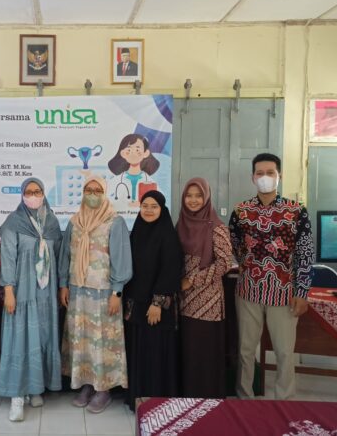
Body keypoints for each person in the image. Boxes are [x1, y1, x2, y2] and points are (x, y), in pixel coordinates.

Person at [229, 153, 314, 400]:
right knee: (245, 350)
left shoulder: (296, 211)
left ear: (279, 176)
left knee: (284, 352)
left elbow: (306, 253)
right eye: (260, 173)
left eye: (270, 173)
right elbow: (233, 244)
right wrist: (245, 265)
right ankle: (244, 397)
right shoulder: (241, 211)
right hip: (248, 291)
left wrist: (302, 292)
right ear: (252, 177)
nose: (264, 177)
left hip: (284, 293)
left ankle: (284, 400)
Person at [59, 176, 132, 414]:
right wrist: (63, 285)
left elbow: (121, 259)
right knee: (82, 339)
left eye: (97, 190)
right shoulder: (75, 221)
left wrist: (117, 291)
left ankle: (104, 389)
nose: (92, 194)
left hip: (104, 292)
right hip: (78, 291)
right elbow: (66, 256)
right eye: (88, 190)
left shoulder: (115, 221)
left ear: (104, 193)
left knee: (103, 341)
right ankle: (87, 384)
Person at [0, 178, 63, 422]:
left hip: (46, 294)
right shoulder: (13, 222)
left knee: (41, 338)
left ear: (43, 194)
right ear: (22, 195)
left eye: (37, 191)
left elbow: (59, 257)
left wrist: (61, 286)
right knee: (21, 339)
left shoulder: (52, 223)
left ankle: (35, 387)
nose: (33, 195)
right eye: (28, 192)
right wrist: (8, 290)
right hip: (22, 291)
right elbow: (8, 257)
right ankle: (17, 395)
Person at [123, 190, 182, 411]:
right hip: (137, 305)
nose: (148, 210)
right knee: (139, 351)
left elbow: (170, 270)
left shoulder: (168, 235)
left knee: (156, 352)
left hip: (157, 307)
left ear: (162, 209)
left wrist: (157, 303)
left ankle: (156, 400)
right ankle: (137, 398)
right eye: (145, 206)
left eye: (154, 206)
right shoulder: (137, 232)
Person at [177, 178, 232, 398]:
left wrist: (193, 280)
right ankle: (187, 394)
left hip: (207, 300)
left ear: (206, 198)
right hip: (183, 298)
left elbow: (224, 263)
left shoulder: (217, 227)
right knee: (188, 348)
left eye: (198, 196)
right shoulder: (181, 223)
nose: (193, 200)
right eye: (189, 196)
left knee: (204, 349)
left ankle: (207, 397)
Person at [107, 134, 160, 203]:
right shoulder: (115, 181)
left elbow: (158, 201)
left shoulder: (150, 182)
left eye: (137, 150)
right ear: (123, 153)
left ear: (146, 153)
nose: (133, 154)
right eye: (129, 150)